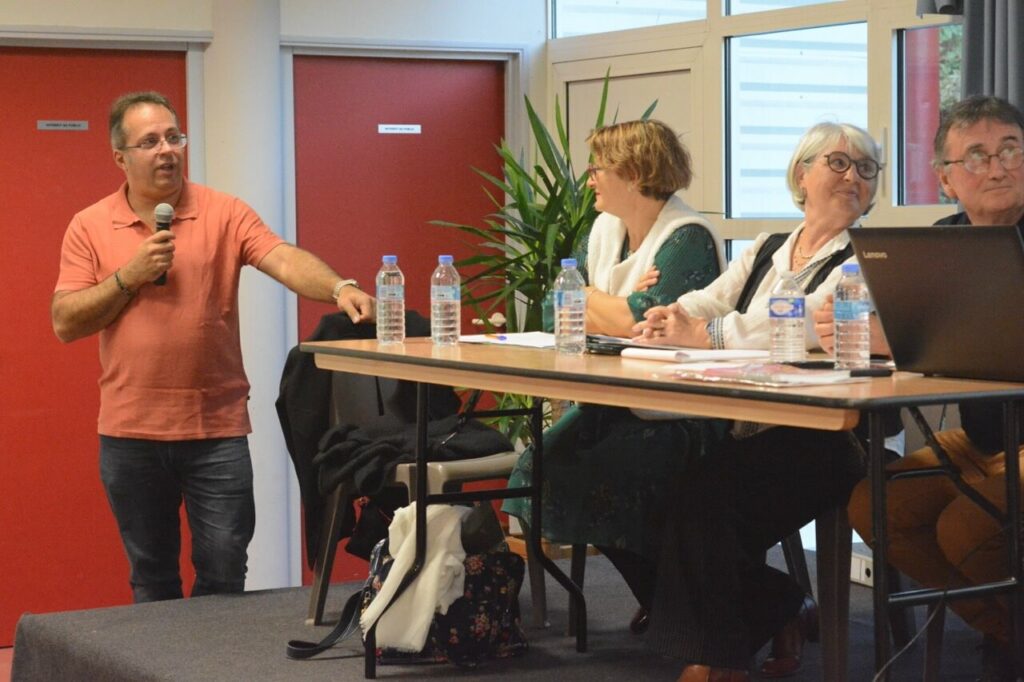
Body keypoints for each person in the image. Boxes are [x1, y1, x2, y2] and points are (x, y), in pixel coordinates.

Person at [51, 91, 375, 603]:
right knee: (151, 576)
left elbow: (283, 258)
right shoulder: (89, 225)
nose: (167, 150)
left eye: (174, 137)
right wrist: (129, 276)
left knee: (224, 572)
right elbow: (65, 321)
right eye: (150, 141)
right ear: (121, 157)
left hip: (215, 433)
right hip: (130, 432)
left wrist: (341, 287)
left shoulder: (223, 212)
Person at [631, 121, 883, 681]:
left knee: (704, 501)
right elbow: (710, 300)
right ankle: (779, 606)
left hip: (824, 438)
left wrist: (706, 334)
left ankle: (721, 658)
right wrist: (671, 316)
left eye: (867, 169)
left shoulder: (865, 257)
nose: (853, 177)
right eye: (838, 163)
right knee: (653, 487)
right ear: (802, 174)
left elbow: (794, 324)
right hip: (748, 427)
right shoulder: (771, 247)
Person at [502, 119, 724, 628]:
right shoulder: (606, 232)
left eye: (599, 167)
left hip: (678, 414)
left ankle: (697, 609)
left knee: (605, 477)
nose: (589, 179)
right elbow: (554, 311)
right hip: (615, 405)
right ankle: (670, 602)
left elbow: (641, 321)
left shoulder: (687, 237)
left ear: (633, 173)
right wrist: (612, 303)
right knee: (537, 471)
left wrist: (598, 302)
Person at [842, 95, 1024, 681]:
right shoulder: (941, 245)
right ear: (945, 180)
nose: (997, 167)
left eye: (1010, 149)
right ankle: (1006, 628)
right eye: (976, 156)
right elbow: (913, 335)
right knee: (876, 505)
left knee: (965, 527)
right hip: (982, 436)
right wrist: (871, 333)